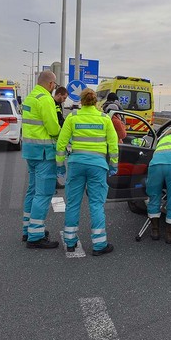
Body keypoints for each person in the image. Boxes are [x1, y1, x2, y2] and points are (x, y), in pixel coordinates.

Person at [56, 88, 119, 256]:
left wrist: (60, 165)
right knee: (96, 204)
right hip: (98, 166)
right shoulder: (105, 119)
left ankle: (70, 241)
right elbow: (113, 146)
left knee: (73, 203)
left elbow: (61, 144)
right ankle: (99, 245)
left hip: (76, 164)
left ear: (81, 101)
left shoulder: (73, 117)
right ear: (95, 102)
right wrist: (113, 166)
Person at [21, 71, 61, 249]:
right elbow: (53, 128)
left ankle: (28, 229)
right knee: (43, 194)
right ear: (51, 84)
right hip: (44, 152)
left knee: (32, 191)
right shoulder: (45, 99)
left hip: (30, 151)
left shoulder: (30, 97)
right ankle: (36, 236)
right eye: (54, 85)